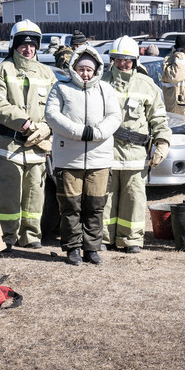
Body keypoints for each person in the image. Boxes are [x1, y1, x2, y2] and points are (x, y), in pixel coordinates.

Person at [45, 45, 121, 266]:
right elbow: (52, 115)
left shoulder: (106, 89)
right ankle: (72, 248)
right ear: (73, 68)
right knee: (71, 206)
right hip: (69, 159)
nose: (85, 73)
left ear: (96, 69)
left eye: (89, 69)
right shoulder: (61, 88)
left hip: (99, 158)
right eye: (81, 69)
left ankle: (92, 248)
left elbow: (115, 116)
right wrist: (79, 133)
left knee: (95, 205)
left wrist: (96, 133)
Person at [0, 20, 57, 251]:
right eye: (23, 44)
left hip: (38, 147)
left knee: (35, 193)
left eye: (32, 44)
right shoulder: (1, 71)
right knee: (9, 194)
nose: (28, 49)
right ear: (14, 45)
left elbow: (57, 106)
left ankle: (31, 235)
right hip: (9, 146)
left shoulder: (47, 73)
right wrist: (24, 123)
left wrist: (48, 127)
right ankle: (7, 237)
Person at [102, 36, 172, 253]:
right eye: (119, 59)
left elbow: (159, 118)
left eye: (127, 60)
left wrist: (162, 142)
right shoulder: (101, 83)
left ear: (135, 60)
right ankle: (104, 239)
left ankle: (131, 240)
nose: (123, 64)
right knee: (106, 200)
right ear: (112, 59)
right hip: (107, 153)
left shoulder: (146, 85)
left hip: (135, 155)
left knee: (134, 199)